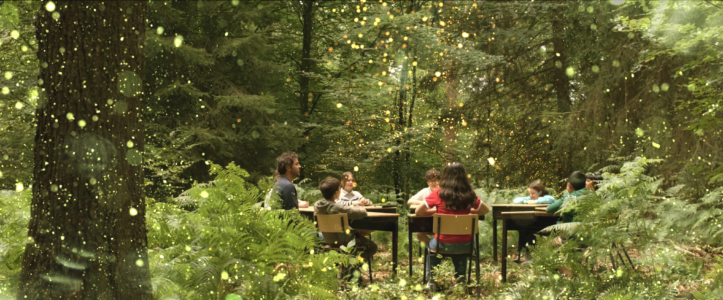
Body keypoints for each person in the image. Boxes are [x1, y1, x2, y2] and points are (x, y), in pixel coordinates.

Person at [415, 163, 490, 285]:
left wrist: (435, 211)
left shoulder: (438, 193)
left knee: (432, 245)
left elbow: (418, 212)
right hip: (466, 245)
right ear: (463, 177)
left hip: (442, 244)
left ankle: (432, 281)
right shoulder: (470, 195)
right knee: (460, 243)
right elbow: (485, 210)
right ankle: (461, 280)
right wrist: (469, 210)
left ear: (445, 176)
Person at [314, 177, 378, 266]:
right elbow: (361, 213)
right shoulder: (338, 207)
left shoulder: (317, 206)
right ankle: (352, 267)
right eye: (339, 190)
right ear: (336, 194)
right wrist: (360, 208)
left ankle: (345, 267)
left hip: (327, 239)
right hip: (345, 241)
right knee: (373, 247)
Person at [408, 169, 441, 245]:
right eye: (430, 181)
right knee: (419, 234)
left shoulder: (444, 191)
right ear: (427, 182)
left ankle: (437, 247)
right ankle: (430, 247)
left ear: (439, 181)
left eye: (435, 180)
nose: (433, 183)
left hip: (441, 223)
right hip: (427, 222)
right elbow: (410, 201)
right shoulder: (425, 191)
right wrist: (424, 203)